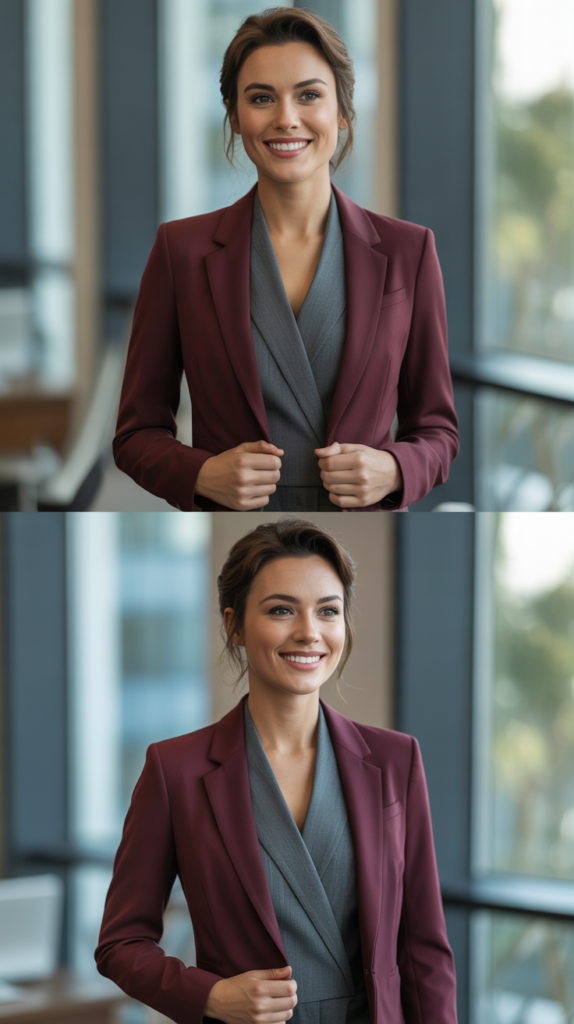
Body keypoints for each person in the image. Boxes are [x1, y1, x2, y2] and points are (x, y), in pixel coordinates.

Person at [95, 518, 457, 1024]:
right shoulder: (174, 770)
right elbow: (121, 943)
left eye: (328, 611)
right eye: (282, 610)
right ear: (234, 625)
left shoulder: (396, 760)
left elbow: (424, 951)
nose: (309, 632)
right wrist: (210, 996)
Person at [112, 8, 459, 513]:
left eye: (309, 95)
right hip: (235, 522)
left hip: (364, 523)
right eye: (261, 98)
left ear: (342, 111)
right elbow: (135, 434)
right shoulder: (179, 251)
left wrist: (397, 468)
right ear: (234, 115)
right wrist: (202, 473)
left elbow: (438, 430)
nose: (286, 118)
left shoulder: (410, 251)